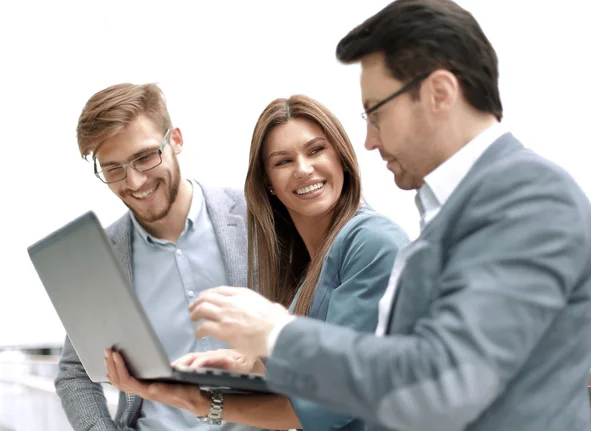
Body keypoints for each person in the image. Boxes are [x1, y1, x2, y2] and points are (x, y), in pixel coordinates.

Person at [166, 1, 591, 430]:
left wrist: (278, 335)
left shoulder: (528, 198)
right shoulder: (458, 209)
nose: (369, 141)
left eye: (376, 113)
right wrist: (254, 365)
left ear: (440, 93)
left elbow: (441, 381)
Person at [105, 94, 410, 431]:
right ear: (270, 184)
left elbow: (331, 402)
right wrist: (252, 366)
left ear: (341, 156)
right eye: (283, 161)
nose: (304, 169)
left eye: (316, 150)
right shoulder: (310, 260)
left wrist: (201, 402)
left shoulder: (373, 242)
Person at [56, 83, 259, 431]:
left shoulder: (254, 216)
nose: (134, 181)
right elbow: (74, 373)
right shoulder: (103, 257)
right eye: (113, 168)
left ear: (176, 140)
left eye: (145, 156)